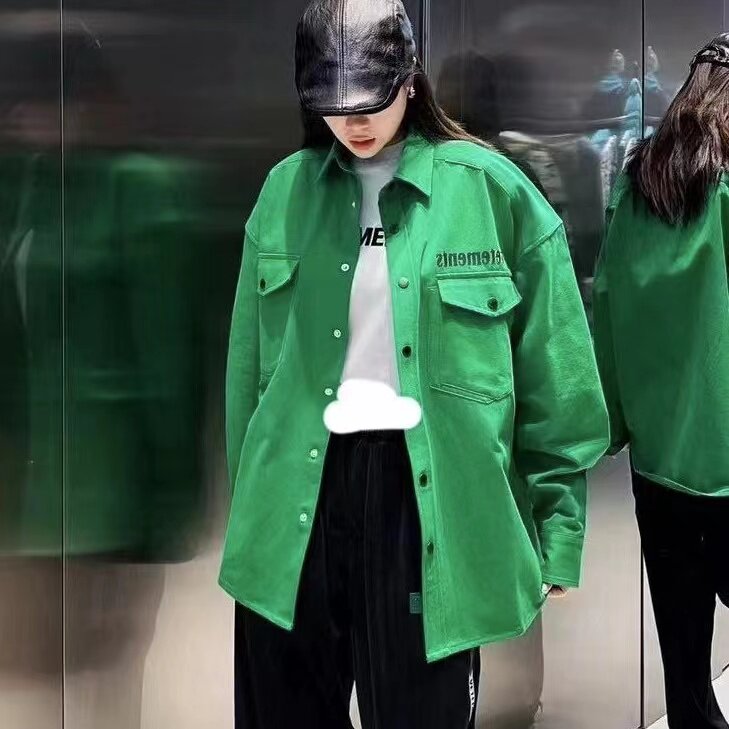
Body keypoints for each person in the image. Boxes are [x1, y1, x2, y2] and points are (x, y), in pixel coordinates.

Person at [222, 1, 609, 727]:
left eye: (369, 100)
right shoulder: (283, 192)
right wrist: (252, 511)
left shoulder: (490, 190)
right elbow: (248, 375)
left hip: (422, 500)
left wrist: (559, 525)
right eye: (333, 104)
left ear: (408, 79)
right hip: (295, 500)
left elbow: (556, 376)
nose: (353, 122)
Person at [593, 32, 729, 729]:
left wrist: (617, 422)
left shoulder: (638, 185)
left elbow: (607, 303)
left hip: (659, 465)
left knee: (683, 660)